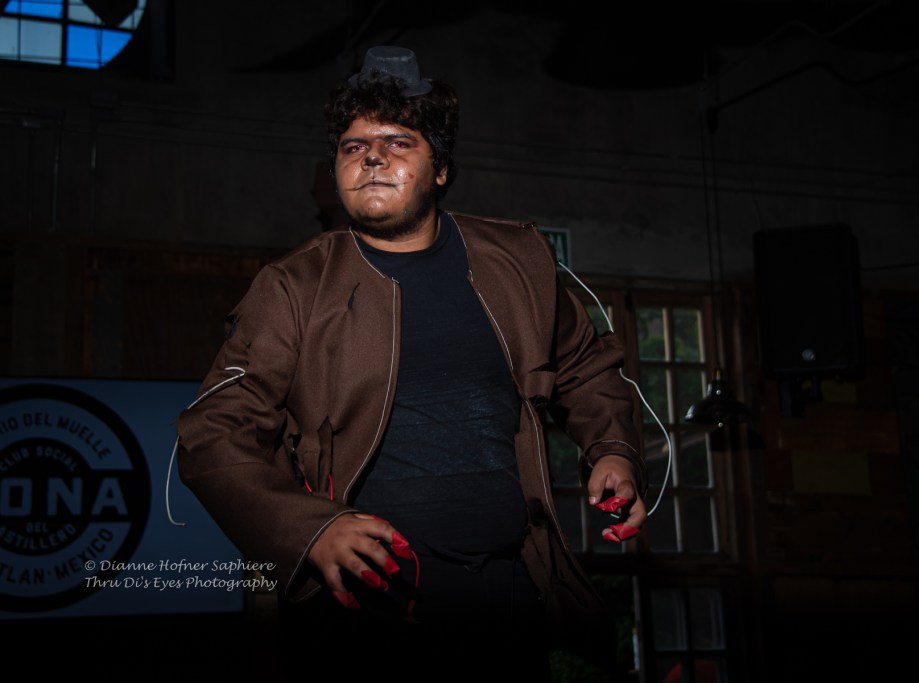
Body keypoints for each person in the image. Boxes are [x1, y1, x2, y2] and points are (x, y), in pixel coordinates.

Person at [175, 45, 647, 681]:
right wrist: (307, 531)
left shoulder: (520, 262)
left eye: (398, 142)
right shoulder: (293, 287)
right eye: (354, 146)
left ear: (442, 168)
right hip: (364, 617)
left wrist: (613, 449)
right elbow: (211, 433)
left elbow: (586, 369)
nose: (372, 157)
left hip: (507, 600)